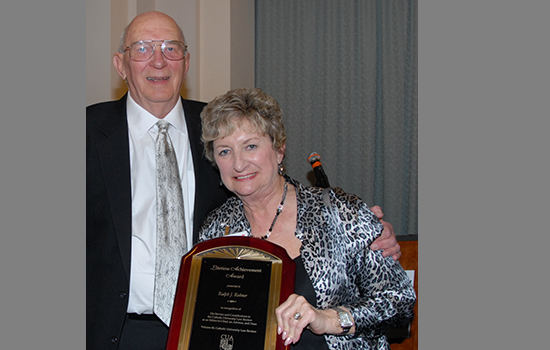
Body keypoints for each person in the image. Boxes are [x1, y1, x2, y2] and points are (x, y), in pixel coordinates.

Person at [87, 11, 402, 350]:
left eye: (171, 47)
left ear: (186, 61)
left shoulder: (216, 127)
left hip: (206, 333)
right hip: (115, 332)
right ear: (121, 65)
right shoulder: (85, 132)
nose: (159, 61)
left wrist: (367, 231)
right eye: (143, 49)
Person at [198, 88, 416, 350]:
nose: (239, 164)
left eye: (251, 146)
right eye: (224, 151)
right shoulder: (215, 231)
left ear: (279, 150)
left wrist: (328, 319)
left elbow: (399, 301)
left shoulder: (339, 212)